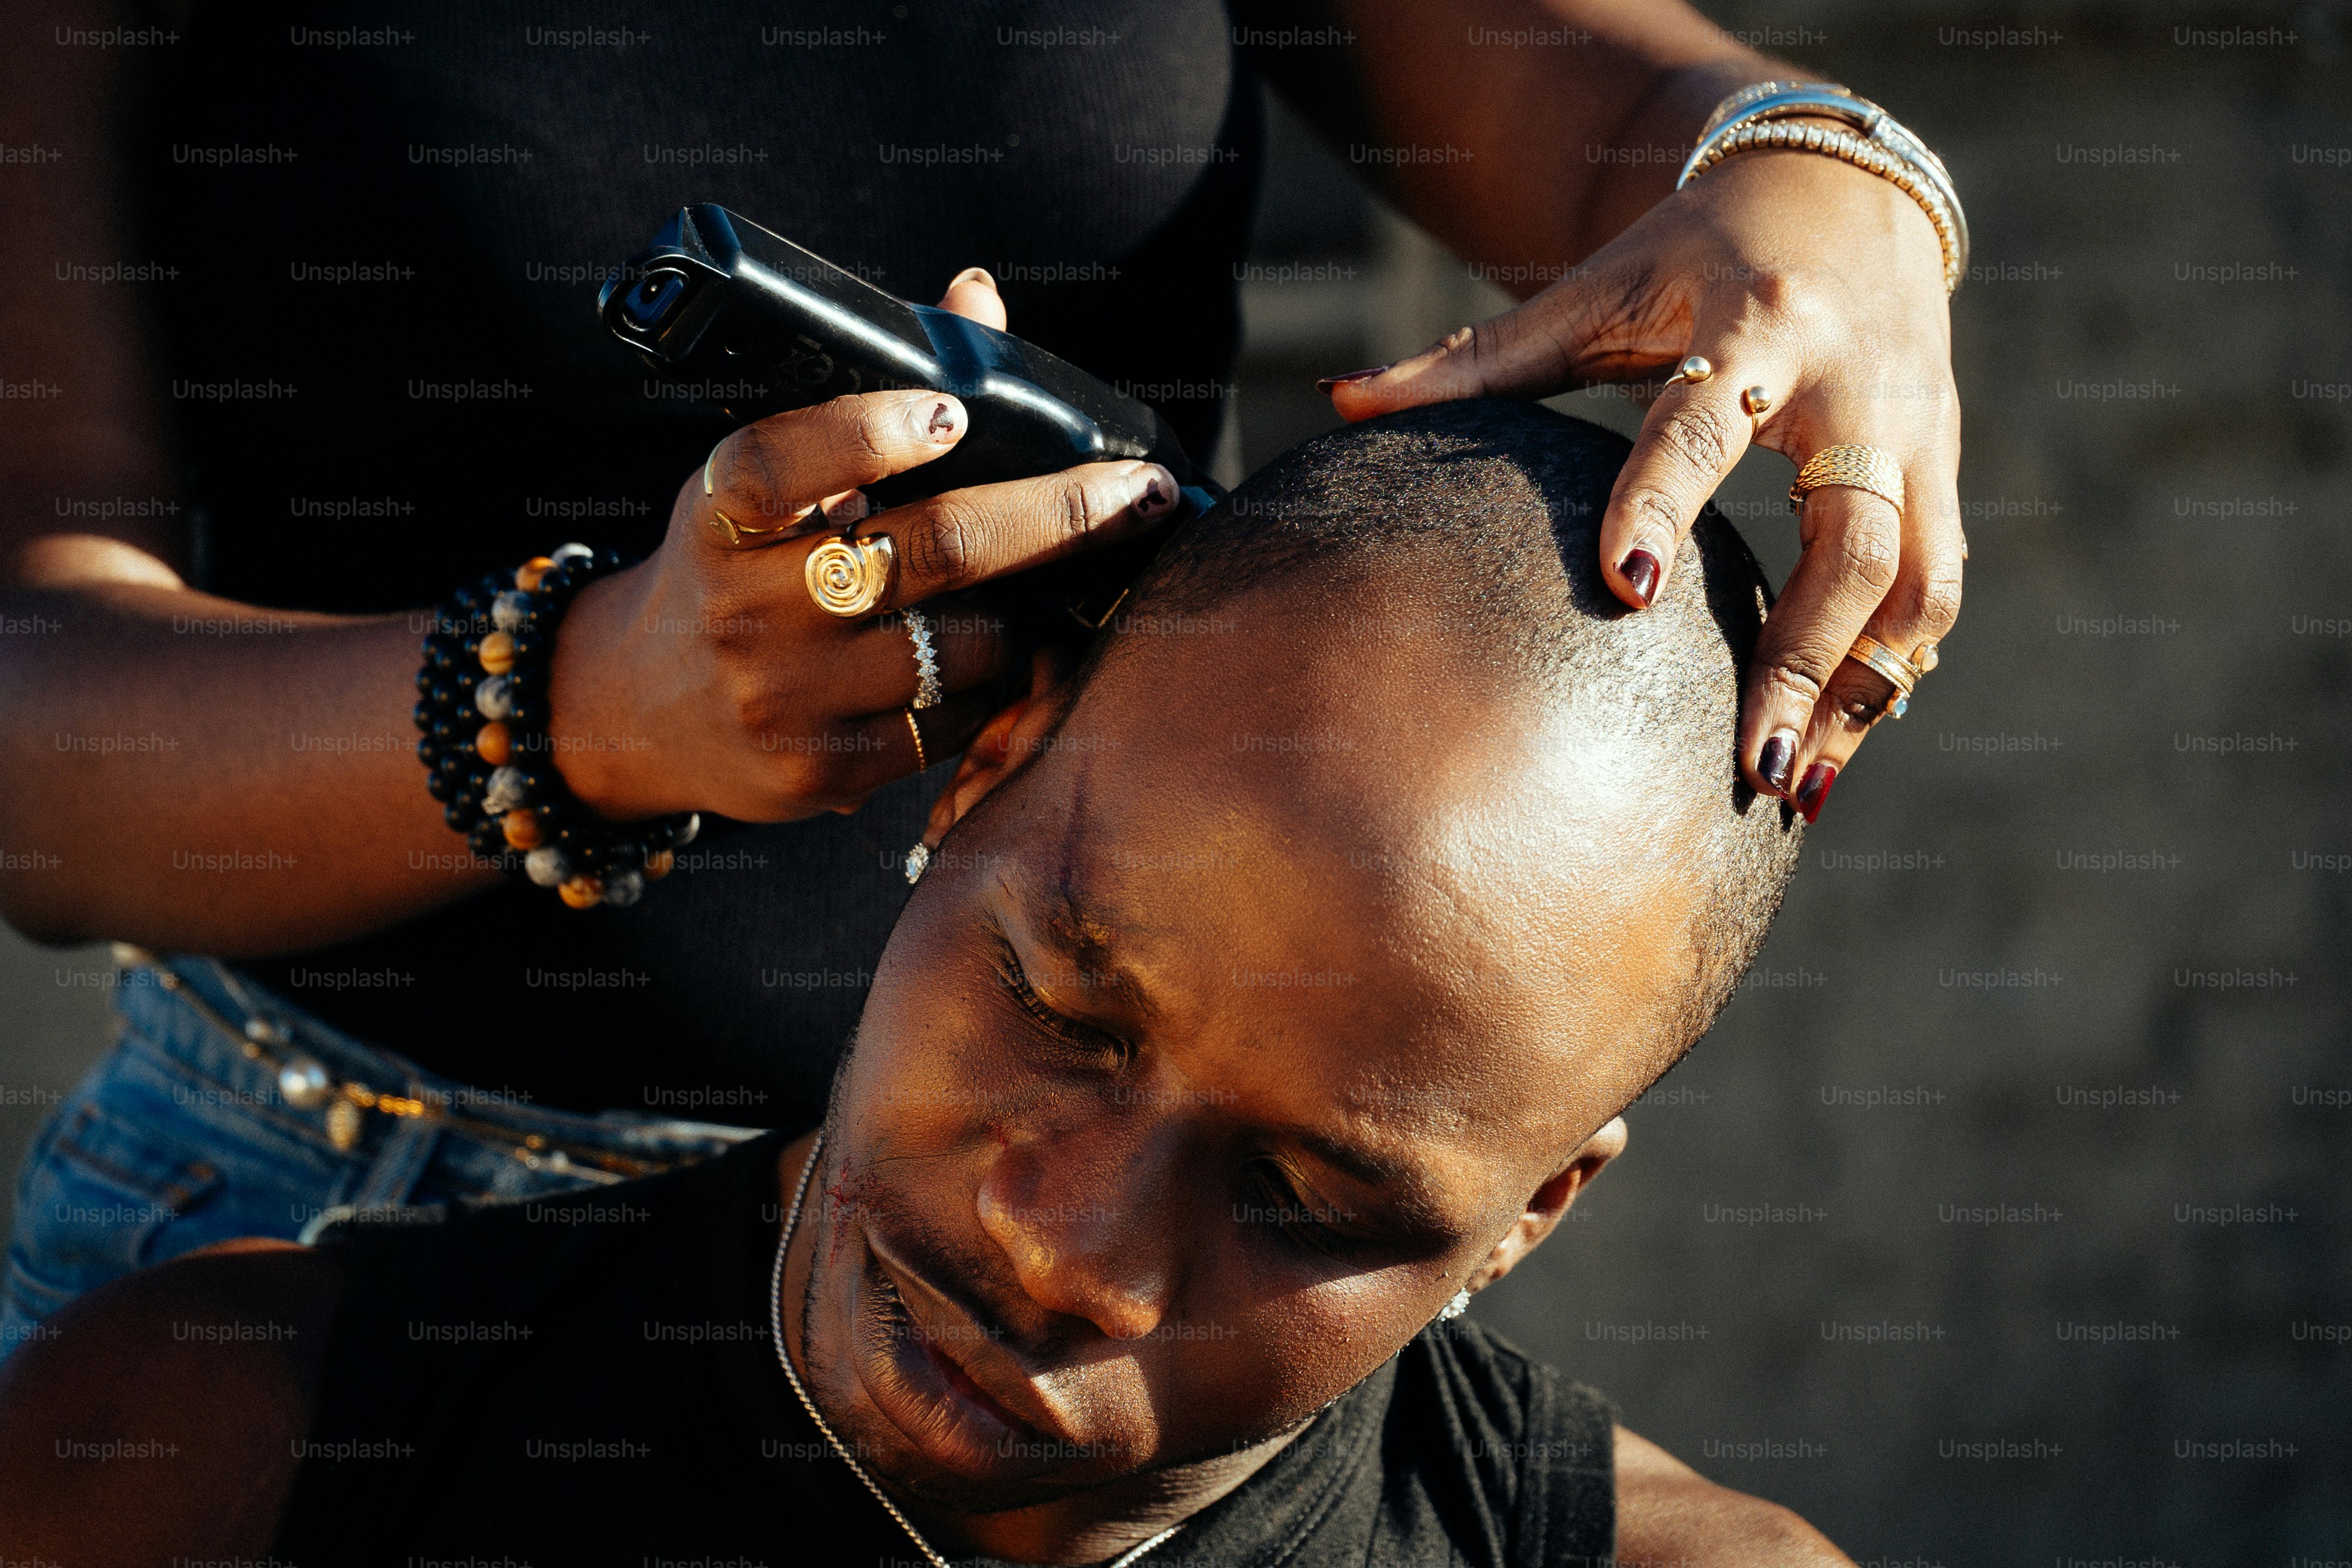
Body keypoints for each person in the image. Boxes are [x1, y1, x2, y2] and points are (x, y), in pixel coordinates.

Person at [0, 1, 1962, 1343]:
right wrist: (586, 703)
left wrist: (1829, 182)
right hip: (321, 1221)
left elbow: (1631, 112)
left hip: (1117, 1282)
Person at [0, 401, 1851, 1566]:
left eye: (1307, 1200)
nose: (1071, 1251)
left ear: (1535, 1213)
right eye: (1065, 1013)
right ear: (975, 777)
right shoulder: (211, 1458)